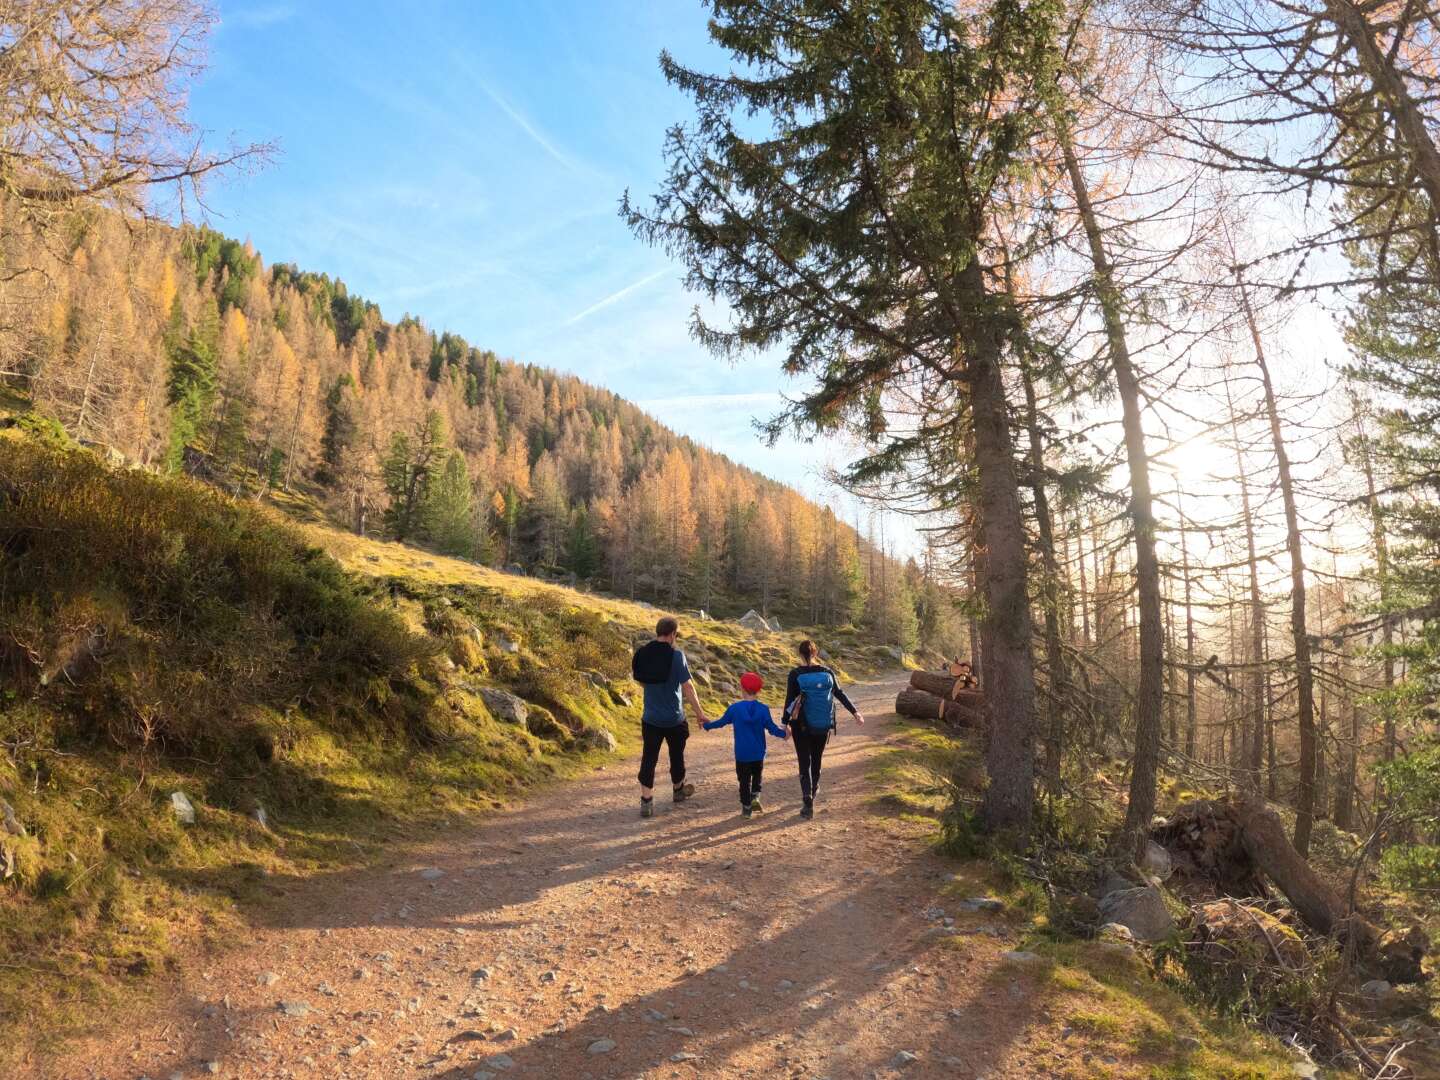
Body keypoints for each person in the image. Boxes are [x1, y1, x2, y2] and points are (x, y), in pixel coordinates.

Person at [631, 615, 708, 818]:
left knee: (649, 758)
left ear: (658, 632)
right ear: (673, 634)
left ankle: (646, 801)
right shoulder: (676, 656)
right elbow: (688, 687)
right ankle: (678, 790)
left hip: (650, 718)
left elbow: (640, 679)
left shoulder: (643, 653)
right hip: (674, 718)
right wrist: (699, 713)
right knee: (677, 755)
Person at [782, 639, 864, 819]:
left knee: (804, 762)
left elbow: (790, 700)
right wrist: (855, 712)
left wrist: (785, 723)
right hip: (822, 724)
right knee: (816, 759)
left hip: (800, 726)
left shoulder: (795, 674)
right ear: (815, 653)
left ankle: (807, 801)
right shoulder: (827, 672)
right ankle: (813, 788)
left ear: (800, 654)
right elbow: (840, 694)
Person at [703, 671, 788, 817]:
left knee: (743, 781)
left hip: (742, 754)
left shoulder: (734, 709)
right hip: (758, 752)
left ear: (741, 688)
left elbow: (721, 722)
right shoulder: (763, 709)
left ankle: (747, 808)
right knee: (757, 776)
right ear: (759, 690)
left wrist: (707, 725)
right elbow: (772, 728)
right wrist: (784, 734)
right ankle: (755, 796)